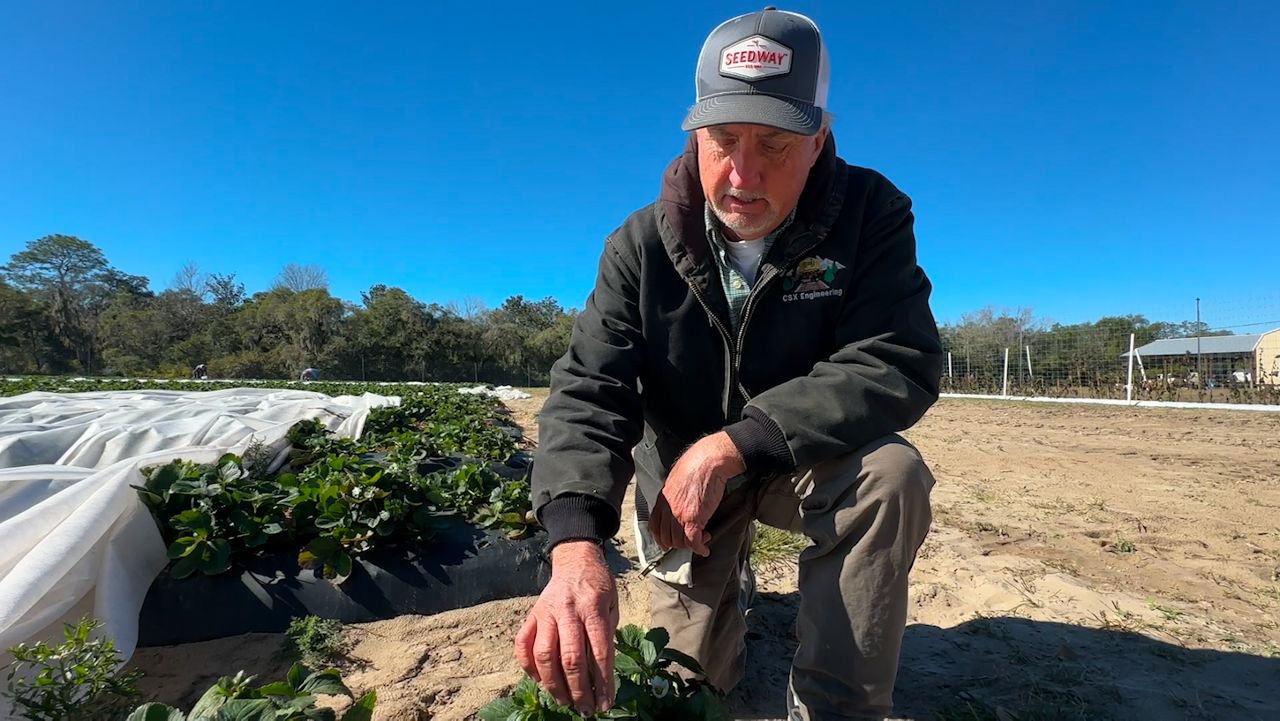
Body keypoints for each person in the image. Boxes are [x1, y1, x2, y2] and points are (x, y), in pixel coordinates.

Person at [515, 8, 942, 720]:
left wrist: (734, 445)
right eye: (723, 140)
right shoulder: (640, 244)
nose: (743, 174)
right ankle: (724, 589)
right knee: (687, 685)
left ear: (819, 140)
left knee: (889, 477)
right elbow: (590, 388)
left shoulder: (870, 213)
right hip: (681, 483)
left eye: (775, 143)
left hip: (800, 456)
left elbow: (897, 357)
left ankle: (836, 706)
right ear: (695, 137)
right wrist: (575, 545)